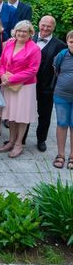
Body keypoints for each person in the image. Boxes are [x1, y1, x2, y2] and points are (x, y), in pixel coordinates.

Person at [0, 20, 41, 158]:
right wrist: (2, 74)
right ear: (14, 32)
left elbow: (33, 70)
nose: (21, 33)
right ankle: (10, 141)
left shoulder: (34, 48)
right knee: (11, 114)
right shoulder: (10, 43)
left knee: (21, 116)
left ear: (30, 34)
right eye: (19, 31)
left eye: (24, 31)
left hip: (24, 87)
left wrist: (10, 78)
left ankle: (19, 144)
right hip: (8, 85)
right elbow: (2, 62)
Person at [29, 16, 66, 152]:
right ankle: (20, 139)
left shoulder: (60, 46)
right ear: (38, 24)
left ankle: (41, 139)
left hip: (47, 87)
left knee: (44, 115)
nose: (45, 28)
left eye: (48, 26)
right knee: (24, 112)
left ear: (53, 28)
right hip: (27, 85)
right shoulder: (28, 39)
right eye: (43, 25)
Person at [52, 31, 73, 169]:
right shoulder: (62, 55)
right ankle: (60, 155)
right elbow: (56, 70)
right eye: (72, 41)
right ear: (67, 41)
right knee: (62, 123)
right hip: (61, 95)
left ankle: (72, 156)